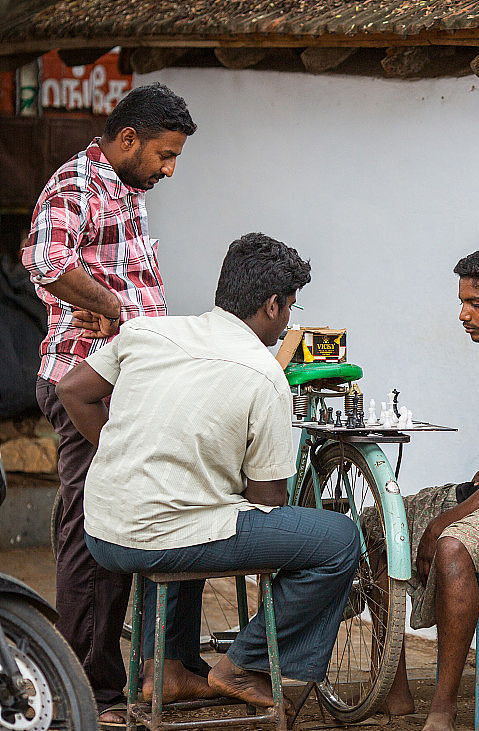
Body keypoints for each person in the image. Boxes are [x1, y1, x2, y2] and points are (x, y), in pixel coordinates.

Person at [56, 233, 361, 712]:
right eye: (289, 309)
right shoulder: (264, 375)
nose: (286, 324)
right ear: (272, 304)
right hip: (163, 536)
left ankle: (169, 673)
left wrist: (120, 451)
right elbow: (268, 499)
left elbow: (72, 390)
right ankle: (244, 663)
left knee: (200, 507)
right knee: (339, 539)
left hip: (103, 531)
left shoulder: (148, 333)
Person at [21, 82, 197, 726]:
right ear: (128, 140)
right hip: (82, 382)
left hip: (124, 381)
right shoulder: (77, 184)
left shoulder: (127, 190)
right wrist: (107, 306)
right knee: (91, 532)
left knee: (119, 521)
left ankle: (124, 676)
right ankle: (84, 689)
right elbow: (44, 259)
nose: (169, 169)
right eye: (165, 154)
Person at [363, 243, 479, 731]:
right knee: (379, 523)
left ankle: (443, 711)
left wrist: (447, 519)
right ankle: (396, 688)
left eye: (475, 303)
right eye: (463, 302)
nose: (463, 315)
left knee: (450, 547)